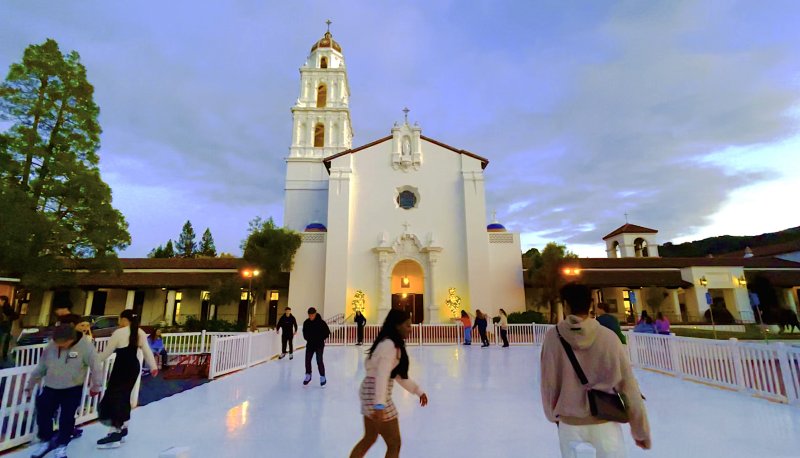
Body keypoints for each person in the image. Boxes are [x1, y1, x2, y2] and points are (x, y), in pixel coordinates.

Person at [541, 283, 651, 457]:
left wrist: (553, 414)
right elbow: (628, 386)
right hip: (605, 421)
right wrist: (640, 431)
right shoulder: (608, 337)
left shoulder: (552, 338)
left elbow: (548, 383)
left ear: (566, 305)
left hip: (570, 424)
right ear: (591, 305)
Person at [349, 309, 428, 458]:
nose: (410, 329)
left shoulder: (391, 344)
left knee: (370, 438)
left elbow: (398, 376)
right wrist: (379, 405)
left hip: (371, 390)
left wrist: (418, 391)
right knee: (394, 442)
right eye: (407, 325)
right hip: (377, 392)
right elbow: (382, 375)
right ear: (397, 326)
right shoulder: (390, 346)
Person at [25, 324, 103, 458]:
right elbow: (42, 366)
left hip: (72, 388)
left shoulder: (86, 347)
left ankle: (62, 444)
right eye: (56, 343)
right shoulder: (52, 346)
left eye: (61, 344)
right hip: (50, 386)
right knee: (43, 412)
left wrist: (96, 386)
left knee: (67, 417)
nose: (58, 346)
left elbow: (96, 367)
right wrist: (30, 384)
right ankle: (46, 440)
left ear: (70, 340)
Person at [96, 310, 157, 448]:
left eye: (120, 319)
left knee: (115, 396)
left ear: (124, 319)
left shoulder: (119, 333)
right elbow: (147, 351)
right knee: (124, 396)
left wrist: (93, 362)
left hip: (121, 366)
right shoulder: (140, 332)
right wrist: (153, 366)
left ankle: (115, 432)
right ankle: (123, 427)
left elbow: (107, 352)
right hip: (133, 366)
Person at [302, 307, 330, 386]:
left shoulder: (321, 323)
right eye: (309, 315)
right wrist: (308, 338)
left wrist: (320, 338)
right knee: (307, 360)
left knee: (319, 360)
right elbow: (305, 333)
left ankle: (322, 376)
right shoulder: (306, 323)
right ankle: (308, 375)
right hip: (310, 345)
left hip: (319, 345)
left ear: (315, 314)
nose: (311, 317)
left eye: (312, 315)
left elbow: (327, 332)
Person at [0, 295, 18, 361]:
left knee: (5, 341)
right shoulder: (1, 308)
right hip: (5, 327)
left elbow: (16, 316)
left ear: (3, 301)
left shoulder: (8, 308)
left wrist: (8, 318)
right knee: (4, 341)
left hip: (5, 327)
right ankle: (4, 355)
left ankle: (4, 355)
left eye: (0, 300)